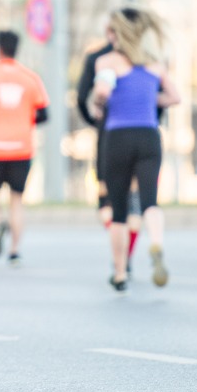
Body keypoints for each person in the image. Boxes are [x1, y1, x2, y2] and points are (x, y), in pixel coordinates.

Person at [91, 7, 180, 291]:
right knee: (149, 202)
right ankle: (156, 242)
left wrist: (97, 103)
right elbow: (174, 97)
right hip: (149, 136)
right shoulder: (155, 64)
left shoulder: (108, 62)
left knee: (118, 210)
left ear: (116, 34)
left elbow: (103, 92)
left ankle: (120, 273)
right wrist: (148, 99)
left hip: (118, 137)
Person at [0, 30, 49, 265]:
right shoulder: (30, 78)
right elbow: (44, 113)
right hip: (22, 147)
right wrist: (25, 123)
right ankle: (14, 251)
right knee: (16, 200)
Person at [78, 28, 142, 273]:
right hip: (142, 131)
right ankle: (128, 252)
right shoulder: (142, 58)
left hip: (109, 133)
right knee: (133, 201)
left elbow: (82, 97)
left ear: (108, 31)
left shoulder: (97, 59)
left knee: (108, 201)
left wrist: (95, 122)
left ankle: (120, 254)